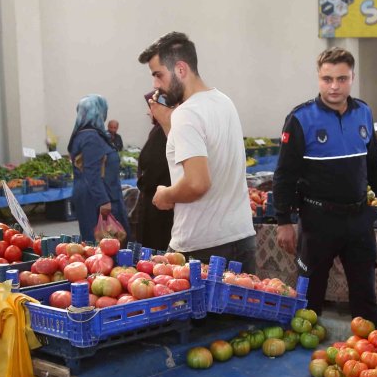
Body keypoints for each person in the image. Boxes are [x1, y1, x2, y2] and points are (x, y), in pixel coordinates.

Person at [272, 47, 377, 322]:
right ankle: (303, 362)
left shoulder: (363, 112)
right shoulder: (300, 119)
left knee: (365, 298)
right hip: (317, 222)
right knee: (309, 300)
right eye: (327, 79)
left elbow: (374, 164)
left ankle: (367, 358)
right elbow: (284, 175)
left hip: (358, 220)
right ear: (318, 78)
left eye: (342, 79)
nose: (334, 86)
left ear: (352, 78)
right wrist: (283, 221)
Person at [140, 31, 256, 271]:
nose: (155, 85)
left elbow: (196, 183)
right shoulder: (223, 101)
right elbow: (196, 151)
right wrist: (166, 123)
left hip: (203, 247)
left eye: (158, 75)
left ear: (180, 69)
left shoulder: (187, 113)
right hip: (240, 238)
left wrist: (166, 195)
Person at [68, 94, 131, 242]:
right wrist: (103, 201)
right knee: (107, 244)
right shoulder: (91, 137)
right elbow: (91, 172)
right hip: (97, 199)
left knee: (94, 243)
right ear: (98, 112)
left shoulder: (82, 135)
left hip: (90, 195)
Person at [130, 92, 173, 250]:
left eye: (152, 107)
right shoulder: (161, 131)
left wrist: (143, 182)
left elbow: (154, 165)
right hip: (159, 201)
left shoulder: (161, 133)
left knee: (156, 246)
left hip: (158, 204)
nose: (149, 112)